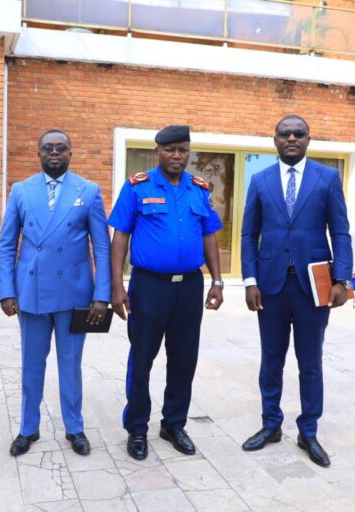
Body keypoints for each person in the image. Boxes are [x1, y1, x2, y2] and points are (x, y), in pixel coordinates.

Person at [240, 115, 353, 467]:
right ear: (274, 140)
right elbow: (248, 234)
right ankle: (270, 425)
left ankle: (308, 431)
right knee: (271, 360)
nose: (291, 138)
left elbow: (340, 232)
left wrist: (343, 280)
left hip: (313, 287)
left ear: (308, 139)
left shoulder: (327, 178)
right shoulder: (259, 180)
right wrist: (250, 280)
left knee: (310, 362)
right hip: (271, 286)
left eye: (298, 133)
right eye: (284, 133)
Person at [109, 125, 224, 461]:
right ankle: (137, 427)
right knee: (142, 358)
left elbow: (210, 236)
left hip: (189, 287)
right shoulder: (137, 186)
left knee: (184, 359)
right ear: (157, 151)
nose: (177, 156)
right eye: (170, 150)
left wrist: (217, 281)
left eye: (183, 150)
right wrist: (117, 286)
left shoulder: (199, 189)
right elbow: (120, 237)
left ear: (189, 153)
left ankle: (174, 424)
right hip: (149, 287)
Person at [0, 129, 111, 457]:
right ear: (39, 154)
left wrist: (102, 295)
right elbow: (7, 245)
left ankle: (74, 428)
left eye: (61, 147)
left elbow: (101, 247)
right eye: (48, 148)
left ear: (71, 153)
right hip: (31, 293)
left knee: (71, 365)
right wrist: (7, 290)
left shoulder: (88, 191)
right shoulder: (20, 190)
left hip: (75, 294)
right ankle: (27, 428)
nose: (55, 153)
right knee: (31, 365)